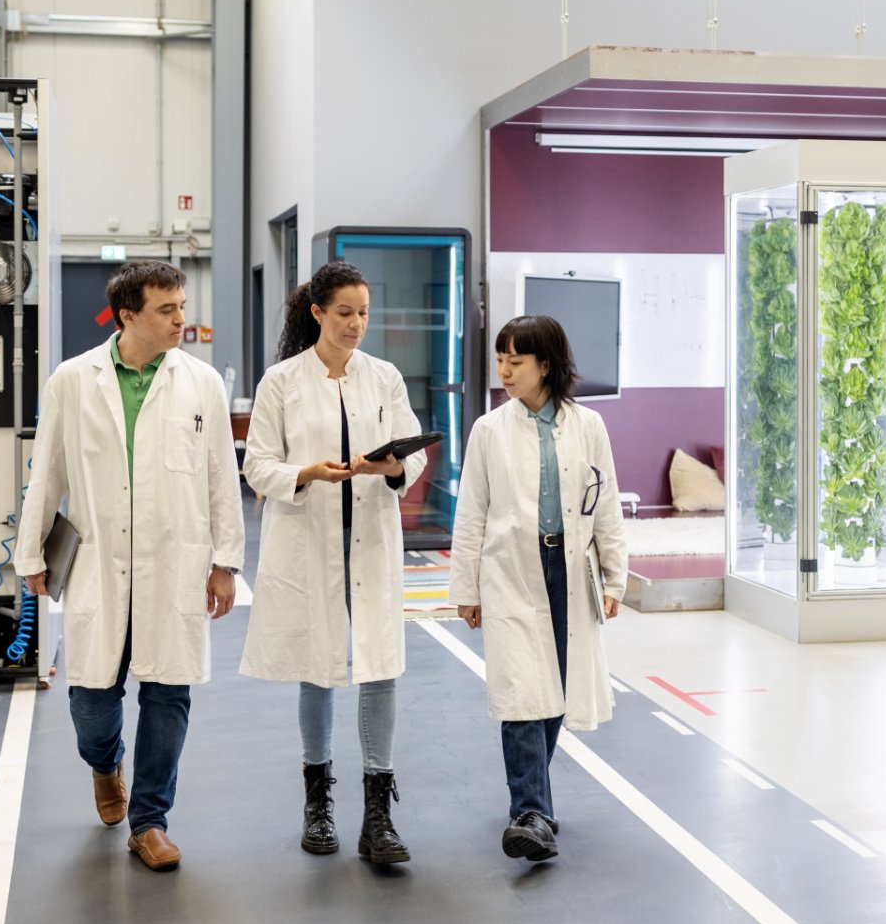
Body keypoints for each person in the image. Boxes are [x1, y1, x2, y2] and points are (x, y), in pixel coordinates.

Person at [15, 260, 243, 872]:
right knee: (92, 698)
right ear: (128, 316)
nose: (181, 319)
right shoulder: (73, 380)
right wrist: (30, 551)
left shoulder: (201, 384)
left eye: (181, 306)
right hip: (99, 562)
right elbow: (49, 472)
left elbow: (222, 477)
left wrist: (226, 561)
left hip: (176, 561)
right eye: (167, 309)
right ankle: (104, 762)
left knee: (169, 693)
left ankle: (151, 821)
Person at [240, 260, 432, 865]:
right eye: (344, 313)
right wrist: (306, 473)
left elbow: (413, 456)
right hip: (309, 536)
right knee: (318, 664)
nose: (356, 325)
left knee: (379, 662)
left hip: (370, 537)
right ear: (317, 312)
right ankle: (317, 805)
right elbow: (257, 466)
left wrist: (394, 465)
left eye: (364, 314)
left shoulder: (385, 378)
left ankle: (379, 814)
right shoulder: (282, 382)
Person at [449, 314, 627, 864]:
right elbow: (472, 511)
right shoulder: (488, 430)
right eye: (500, 358)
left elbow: (607, 505)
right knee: (522, 690)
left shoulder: (587, 426)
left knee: (556, 688)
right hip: (510, 571)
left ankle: (535, 804)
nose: (503, 370)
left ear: (545, 365)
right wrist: (467, 585)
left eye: (515, 361)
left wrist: (616, 575)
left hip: (570, 571)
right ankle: (529, 811)